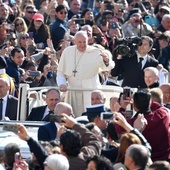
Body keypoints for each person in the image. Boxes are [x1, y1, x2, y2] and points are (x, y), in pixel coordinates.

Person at [57, 30, 115, 117]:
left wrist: (106, 60)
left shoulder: (95, 52)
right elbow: (60, 72)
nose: (82, 44)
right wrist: (62, 84)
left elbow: (108, 66)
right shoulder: (67, 52)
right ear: (75, 41)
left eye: (84, 42)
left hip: (90, 91)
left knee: (91, 117)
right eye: (79, 42)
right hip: (73, 91)